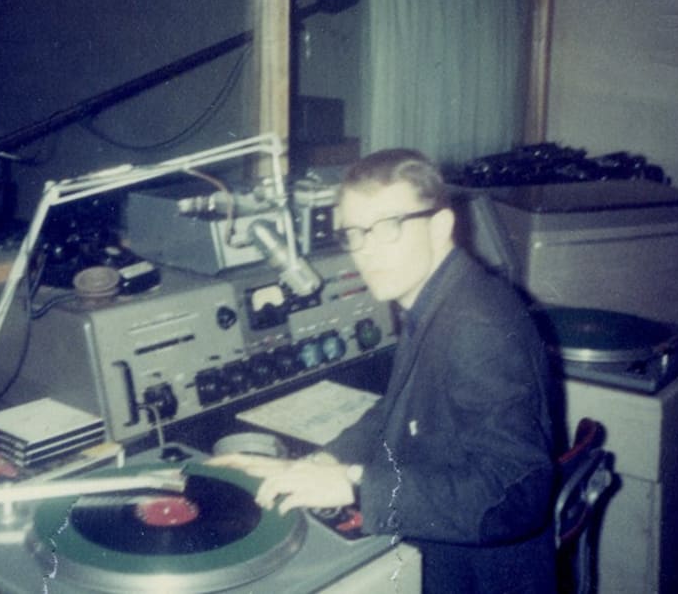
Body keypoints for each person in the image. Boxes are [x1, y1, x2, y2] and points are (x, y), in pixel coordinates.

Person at [210, 149, 558, 593]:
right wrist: (325, 460)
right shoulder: (435, 296)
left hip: (479, 575)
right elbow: (396, 409)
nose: (367, 252)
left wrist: (355, 485)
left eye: (388, 227)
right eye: (355, 233)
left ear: (440, 227)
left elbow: (515, 495)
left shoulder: (476, 325)